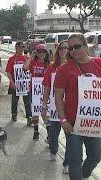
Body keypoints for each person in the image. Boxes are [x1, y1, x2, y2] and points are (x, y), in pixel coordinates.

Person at [54, 33, 101, 180]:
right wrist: (63, 120)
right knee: (75, 161)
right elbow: (58, 97)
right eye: (70, 48)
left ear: (85, 45)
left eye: (77, 46)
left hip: (94, 122)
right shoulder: (64, 69)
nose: (73, 50)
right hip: (73, 124)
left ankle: (83, 176)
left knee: (95, 157)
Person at [41, 40, 70, 172]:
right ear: (58, 51)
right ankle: (53, 150)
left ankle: (68, 163)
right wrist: (44, 104)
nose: (64, 50)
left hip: (70, 108)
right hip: (54, 106)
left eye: (67, 48)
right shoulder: (52, 67)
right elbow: (47, 86)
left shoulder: (75, 66)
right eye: (62, 48)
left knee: (71, 137)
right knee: (53, 134)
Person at [23, 44, 50, 140]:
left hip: (46, 91)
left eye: (43, 51)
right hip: (34, 91)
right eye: (39, 52)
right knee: (35, 111)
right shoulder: (33, 63)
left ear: (46, 53)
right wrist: (31, 56)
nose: (41, 54)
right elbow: (25, 68)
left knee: (45, 113)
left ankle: (49, 133)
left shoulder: (49, 64)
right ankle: (36, 131)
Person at [5, 41, 32, 124]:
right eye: (20, 47)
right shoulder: (12, 59)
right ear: (16, 48)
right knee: (14, 100)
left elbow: (30, 70)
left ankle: (29, 117)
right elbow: (9, 72)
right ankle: (14, 113)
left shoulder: (26, 58)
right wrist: (12, 82)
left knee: (27, 101)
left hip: (24, 83)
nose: (21, 49)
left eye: (23, 47)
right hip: (15, 82)